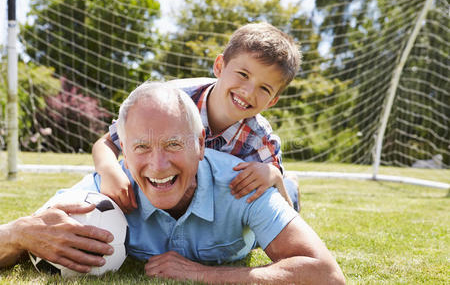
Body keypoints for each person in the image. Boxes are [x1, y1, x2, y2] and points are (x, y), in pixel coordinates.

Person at [0, 85, 345, 284]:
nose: (158, 165)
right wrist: (19, 233)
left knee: (288, 196)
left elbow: (327, 275)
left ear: (199, 143)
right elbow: (22, 234)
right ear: (124, 150)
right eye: (141, 148)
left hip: (265, 195)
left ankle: (292, 184)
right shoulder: (103, 193)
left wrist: (201, 274)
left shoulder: (243, 183)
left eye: (174, 145)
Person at [92, 22, 302, 213]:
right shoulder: (170, 102)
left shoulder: (260, 138)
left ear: (272, 101)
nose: (248, 91)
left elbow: (283, 213)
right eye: (243, 74)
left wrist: (275, 178)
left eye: (264, 88)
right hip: (178, 189)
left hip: (214, 199)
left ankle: (291, 183)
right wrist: (109, 170)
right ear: (219, 66)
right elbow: (107, 142)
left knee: (279, 184)